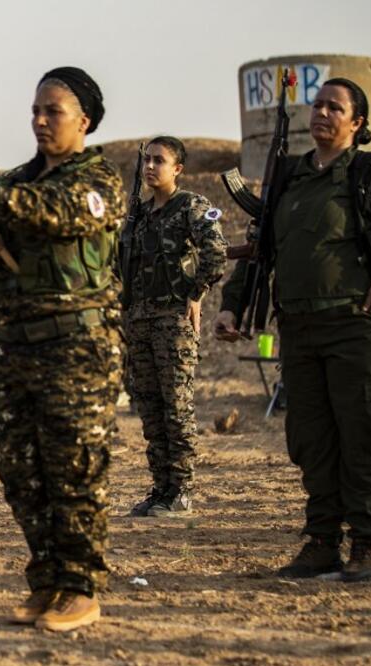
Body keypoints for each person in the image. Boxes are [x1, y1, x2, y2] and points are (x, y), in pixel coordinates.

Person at [213, 78, 371, 581]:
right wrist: (232, 306)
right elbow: (263, 246)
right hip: (300, 328)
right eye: (318, 104)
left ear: (357, 122)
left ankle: (367, 544)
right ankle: (322, 542)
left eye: (336, 107)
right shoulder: (290, 177)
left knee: (363, 434)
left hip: (356, 325)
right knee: (311, 438)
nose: (323, 113)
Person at [0, 66, 125, 632]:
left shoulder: (98, 181)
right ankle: (46, 579)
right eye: (35, 111)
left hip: (77, 352)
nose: (40, 121)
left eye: (54, 111)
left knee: (74, 468)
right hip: (12, 353)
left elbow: (63, 213)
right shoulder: (16, 183)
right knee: (20, 470)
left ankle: (81, 587)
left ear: (85, 121)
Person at [121, 136, 228, 517]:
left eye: (159, 161)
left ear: (177, 169)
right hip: (139, 321)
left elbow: (216, 252)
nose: (151, 167)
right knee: (150, 409)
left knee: (176, 407)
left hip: (172, 321)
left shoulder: (191, 207)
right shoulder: (139, 214)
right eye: (147, 160)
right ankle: (161, 487)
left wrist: (196, 292)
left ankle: (181, 490)